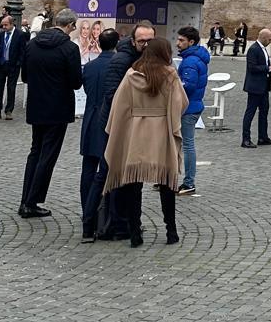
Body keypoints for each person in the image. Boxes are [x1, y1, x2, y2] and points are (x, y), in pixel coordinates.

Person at [103, 37, 185, 247]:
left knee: (133, 184)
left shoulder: (131, 75)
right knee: (167, 183)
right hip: (161, 133)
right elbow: (181, 103)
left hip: (136, 133)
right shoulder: (170, 75)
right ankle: (171, 231)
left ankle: (135, 232)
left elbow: (119, 105)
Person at [19, 7, 83, 218]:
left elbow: (25, 76)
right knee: (47, 155)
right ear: (70, 25)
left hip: (37, 105)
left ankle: (26, 200)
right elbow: (75, 82)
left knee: (35, 151)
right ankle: (31, 201)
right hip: (58, 108)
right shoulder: (69, 48)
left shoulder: (32, 44)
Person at [79, 27, 120, 241]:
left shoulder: (90, 66)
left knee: (88, 168)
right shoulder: (117, 66)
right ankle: (106, 215)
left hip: (90, 119)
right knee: (107, 169)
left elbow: (85, 89)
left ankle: (87, 208)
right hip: (107, 122)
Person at [176, 25, 211, 190]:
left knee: (188, 144)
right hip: (193, 105)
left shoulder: (190, 61)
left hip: (188, 108)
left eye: (181, 40)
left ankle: (189, 182)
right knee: (184, 143)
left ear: (191, 42)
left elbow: (187, 86)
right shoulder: (196, 57)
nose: (178, 43)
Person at [243, 26, 271, 147]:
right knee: (250, 112)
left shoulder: (263, 49)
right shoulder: (254, 49)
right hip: (254, 87)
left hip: (264, 87)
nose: (270, 42)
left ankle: (263, 137)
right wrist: (267, 68)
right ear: (263, 38)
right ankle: (245, 139)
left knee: (264, 112)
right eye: (269, 39)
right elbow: (252, 67)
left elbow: (264, 65)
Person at [0, 12, 29, 118]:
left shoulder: (20, 34)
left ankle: (9, 110)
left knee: (11, 88)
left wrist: (18, 63)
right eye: (3, 25)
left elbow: (23, 51)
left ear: (11, 24)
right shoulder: (1, 34)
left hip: (13, 65)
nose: (4, 27)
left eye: (6, 25)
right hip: (0, 64)